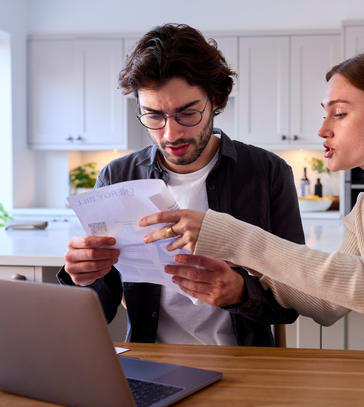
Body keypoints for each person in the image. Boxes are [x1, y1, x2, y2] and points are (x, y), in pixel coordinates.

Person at [139, 50, 364, 354]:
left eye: (340, 113)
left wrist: (231, 235)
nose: (323, 129)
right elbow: (328, 306)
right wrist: (244, 267)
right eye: (325, 112)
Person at [57, 23, 303, 347]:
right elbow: (98, 313)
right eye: (154, 116)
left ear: (216, 99)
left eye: (187, 113)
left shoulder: (268, 174)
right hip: (152, 361)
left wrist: (240, 292)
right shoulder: (117, 177)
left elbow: (292, 303)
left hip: (247, 365)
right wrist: (82, 278)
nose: (171, 135)